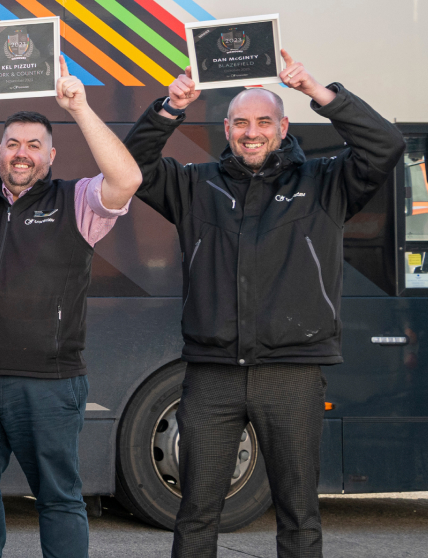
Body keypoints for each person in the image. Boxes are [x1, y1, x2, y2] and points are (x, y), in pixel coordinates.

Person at [127, 52, 402, 558]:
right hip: (212, 374)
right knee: (195, 516)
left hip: (292, 373)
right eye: (241, 123)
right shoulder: (194, 185)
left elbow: (386, 146)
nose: (251, 132)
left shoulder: (324, 183)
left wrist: (322, 93)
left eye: (263, 122)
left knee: (299, 516)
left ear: (283, 126)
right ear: (227, 128)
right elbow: (130, 168)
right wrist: (169, 107)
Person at [0, 57, 142, 558]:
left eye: (34, 146)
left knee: (58, 498)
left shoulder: (78, 201)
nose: (23, 154)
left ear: (51, 154)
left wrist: (80, 107)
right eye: (14, 145)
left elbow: (127, 179)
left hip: (48, 384)